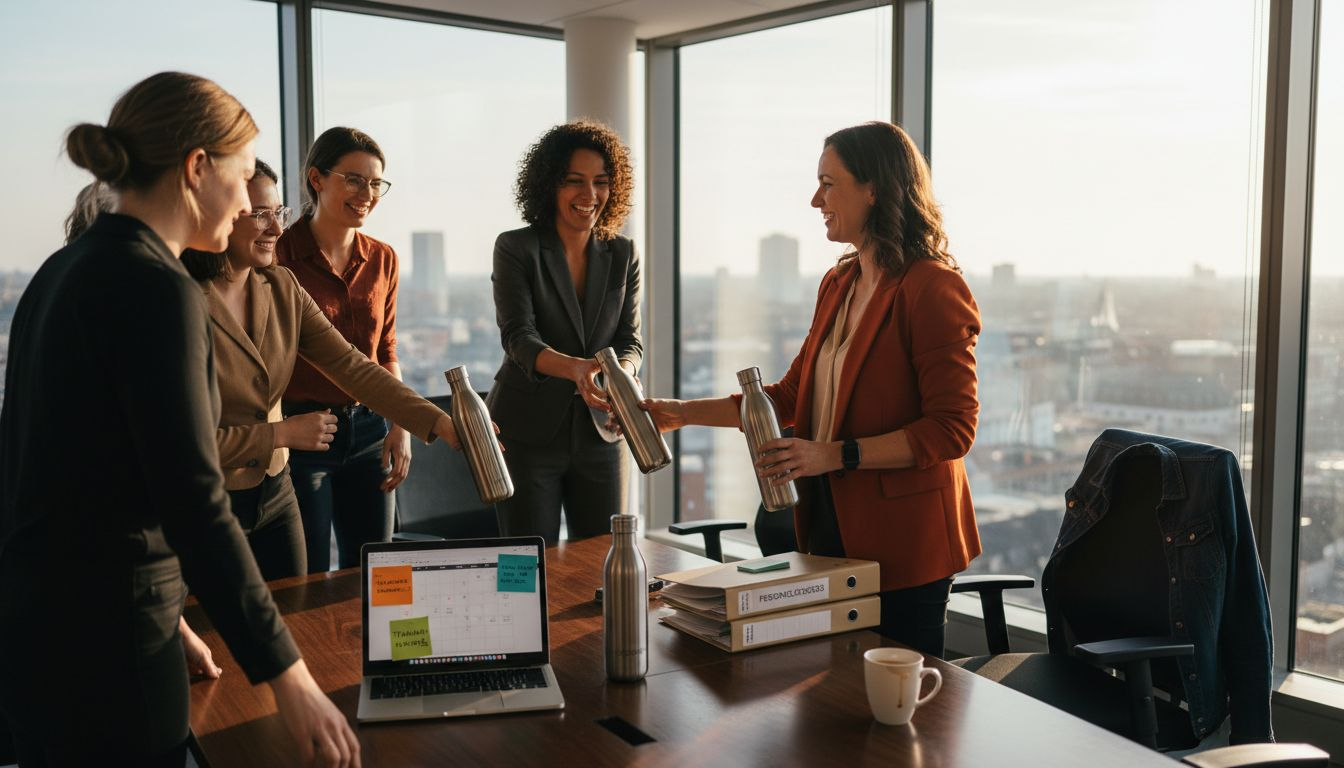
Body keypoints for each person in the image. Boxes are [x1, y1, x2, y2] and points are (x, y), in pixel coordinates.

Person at [0, 72, 359, 767]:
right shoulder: (159, 289)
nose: (252, 204)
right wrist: (289, 676)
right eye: (244, 175)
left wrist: (171, 612)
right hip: (115, 654)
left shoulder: (63, 270)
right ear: (198, 168)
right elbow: (193, 499)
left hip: (43, 636)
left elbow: (58, 476)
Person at [642, 122, 981, 657]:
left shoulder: (932, 287)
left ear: (874, 189)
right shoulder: (839, 283)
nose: (815, 200)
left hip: (904, 543)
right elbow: (787, 396)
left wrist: (835, 455)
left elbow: (953, 429)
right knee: (827, 692)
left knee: (895, 700)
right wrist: (681, 413)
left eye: (828, 184)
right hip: (828, 529)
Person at [181, 159, 462, 580]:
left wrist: (438, 421)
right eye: (260, 214)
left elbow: (352, 366)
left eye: (279, 213)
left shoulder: (282, 286)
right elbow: (182, 443)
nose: (276, 229)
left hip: (276, 493)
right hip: (208, 502)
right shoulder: (181, 301)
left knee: (303, 608)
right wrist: (280, 434)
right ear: (220, 213)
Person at [62, 180, 226, 680]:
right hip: (119, 600)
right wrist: (282, 669)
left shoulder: (58, 296)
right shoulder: (153, 304)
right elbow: (181, 490)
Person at [488, 120, 642, 542]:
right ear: (549, 184)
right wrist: (576, 369)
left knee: (603, 557)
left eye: (600, 182)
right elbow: (518, 337)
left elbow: (630, 341)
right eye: (574, 181)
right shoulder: (516, 247)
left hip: (602, 432)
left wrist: (622, 373)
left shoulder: (623, 253)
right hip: (527, 432)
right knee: (525, 563)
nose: (589, 194)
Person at [277, 127, 413, 573]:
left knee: (375, 574)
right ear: (316, 178)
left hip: (370, 430)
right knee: (307, 574)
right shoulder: (279, 256)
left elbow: (385, 349)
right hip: (304, 434)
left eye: (375, 183)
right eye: (354, 180)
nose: (367, 194)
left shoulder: (383, 258)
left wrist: (401, 423)